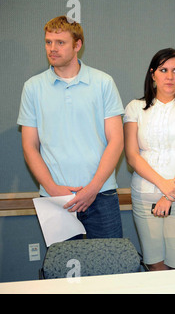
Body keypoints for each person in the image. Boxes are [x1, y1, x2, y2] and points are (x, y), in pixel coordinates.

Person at [17, 16, 124, 239]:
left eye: (60, 42)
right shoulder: (32, 88)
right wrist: (53, 189)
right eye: (48, 42)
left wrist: (92, 188)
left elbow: (116, 141)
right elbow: (29, 146)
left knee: (110, 270)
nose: (52, 49)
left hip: (101, 194)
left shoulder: (103, 83)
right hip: (56, 199)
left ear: (77, 45)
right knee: (63, 270)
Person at [123, 48, 175, 271]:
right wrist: (165, 187)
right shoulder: (135, 108)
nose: (170, 76)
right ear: (153, 74)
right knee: (155, 266)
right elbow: (132, 156)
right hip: (145, 198)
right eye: (163, 70)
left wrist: (170, 195)